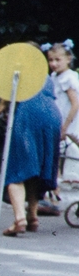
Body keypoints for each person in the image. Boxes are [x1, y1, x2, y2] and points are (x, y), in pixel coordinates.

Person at [0, 58, 63, 237]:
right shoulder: (46, 76)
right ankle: (32, 216)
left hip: (28, 115)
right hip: (52, 115)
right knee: (36, 168)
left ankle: (19, 219)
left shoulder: (18, 75)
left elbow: (3, 105)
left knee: (16, 169)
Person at [48, 41, 79, 188]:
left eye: (57, 60)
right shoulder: (55, 76)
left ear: (68, 59)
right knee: (57, 156)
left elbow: (75, 103)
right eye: (50, 60)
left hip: (69, 124)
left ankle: (57, 186)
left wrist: (65, 126)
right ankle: (55, 189)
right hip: (58, 121)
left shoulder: (68, 78)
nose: (53, 63)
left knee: (64, 153)